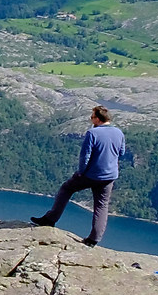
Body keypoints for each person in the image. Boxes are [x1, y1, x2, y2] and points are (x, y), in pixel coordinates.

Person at [33, 105, 130, 247]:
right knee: (101, 207)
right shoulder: (119, 133)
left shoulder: (93, 134)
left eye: (92, 117)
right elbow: (121, 153)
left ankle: (50, 219)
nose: (91, 119)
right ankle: (93, 239)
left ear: (97, 118)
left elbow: (85, 156)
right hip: (109, 176)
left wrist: (81, 172)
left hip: (91, 174)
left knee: (66, 188)